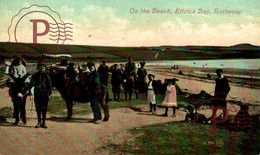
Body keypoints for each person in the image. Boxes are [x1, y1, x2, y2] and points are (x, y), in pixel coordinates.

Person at [29, 62, 52, 128]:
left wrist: (49, 93)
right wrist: (29, 90)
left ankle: (44, 122)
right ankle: (39, 122)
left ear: (45, 69)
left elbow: (50, 85)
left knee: (44, 108)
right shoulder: (35, 75)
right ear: (37, 68)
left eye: (43, 68)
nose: (42, 69)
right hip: (37, 93)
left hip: (44, 94)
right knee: (38, 108)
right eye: (40, 68)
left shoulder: (47, 75)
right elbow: (31, 83)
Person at [8, 56, 29, 125]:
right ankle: (17, 118)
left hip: (22, 79)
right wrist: (17, 77)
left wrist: (22, 76)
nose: (19, 62)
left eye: (20, 61)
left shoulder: (23, 66)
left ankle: (23, 118)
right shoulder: (12, 66)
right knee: (16, 104)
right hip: (15, 80)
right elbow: (12, 73)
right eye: (18, 61)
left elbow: (24, 72)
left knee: (27, 85)